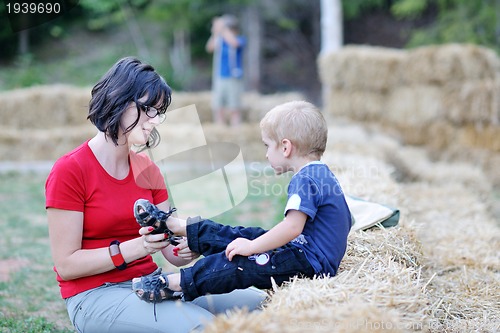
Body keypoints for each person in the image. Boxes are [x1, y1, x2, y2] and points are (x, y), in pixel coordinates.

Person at [45, 56, 266, 333]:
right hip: (95, 295)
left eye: (159, 112)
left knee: (263, 304)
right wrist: (136, 248)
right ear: (119, 99)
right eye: (149, 109)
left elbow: (171, 254)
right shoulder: (70, 170)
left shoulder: (148, 170)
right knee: (204, 327)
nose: (155, 120)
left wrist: (190, 246)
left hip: (152, 283)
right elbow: (66, 265)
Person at [132, 100, 353, 303]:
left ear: (285, 147)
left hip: (309, 263)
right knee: (244, 234)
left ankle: (175, 284)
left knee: (240, 264)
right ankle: (176, 226)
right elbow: (346, 220)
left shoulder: (304, 179)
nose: (266, 154)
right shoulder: (323, 174)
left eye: (267, 146)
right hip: (304, 253)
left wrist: (253, 247)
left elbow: (293, 227)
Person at [206, 14, 246, 126]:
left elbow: (234, 42)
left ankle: (235, 127)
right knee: (218, 106)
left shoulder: (240, 39)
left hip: (233, 77)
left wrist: (222, 28)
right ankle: (220, 127)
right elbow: (209, 48)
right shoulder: (220, 40)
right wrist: (215, 33)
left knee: (234, 107)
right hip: (220, 77)